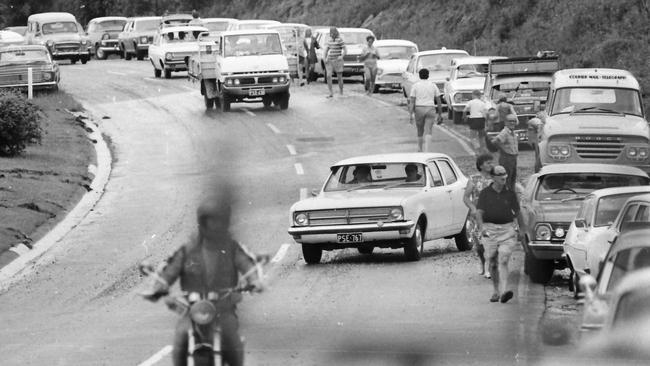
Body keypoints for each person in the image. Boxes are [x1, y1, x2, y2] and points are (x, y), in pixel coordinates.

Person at [142, 192, 265, 366]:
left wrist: (255, 280)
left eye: (219, 222)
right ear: (203, 223)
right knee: (181, 336)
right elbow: (170, 270)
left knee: (231, 338)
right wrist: (158, 286)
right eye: (211, 221)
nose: (215, 226)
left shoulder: (231, 248)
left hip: (224, 308)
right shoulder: (188, 251)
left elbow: (247, 264)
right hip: (192, 309)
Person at [476, 165, 527, 303]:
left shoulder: (510, 194)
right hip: (490, 230)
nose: (504, 176)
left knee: (503, 260)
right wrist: (481, 229)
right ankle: (496, 291)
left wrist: (522, 230)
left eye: (505, 173)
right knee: (492, 262)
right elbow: (479, 213)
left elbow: (518, 213)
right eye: (500, 174)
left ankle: (504, 291)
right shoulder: (485, 194)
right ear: (493, 177)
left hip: (507, 230)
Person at [463, 153, 495, 279]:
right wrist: (473, 208)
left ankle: (489, 267)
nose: (491, 165)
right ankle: (482, 263)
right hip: (477, 218)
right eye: (488, 163)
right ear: (481, 165)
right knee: (480, 246)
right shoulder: (474, 179)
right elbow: (466, 197)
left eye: (492, 162)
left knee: (490, 243)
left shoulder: (496, 178)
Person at [409, 68, 443, 152]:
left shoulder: (415, 85)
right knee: (429, 129)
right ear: (428, 75)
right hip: (430, 108)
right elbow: (438, 100)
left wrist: (411, 114)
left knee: (420, 129)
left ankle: (420, 148)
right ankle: (427, 150)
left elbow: (412, 101)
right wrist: (440, 114)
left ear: (419, 76)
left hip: (419, 108)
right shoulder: (433, 85)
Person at [490, 114, 519, 190]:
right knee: (506, 179)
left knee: (512, 178)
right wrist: (503, 149)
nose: (512, 123)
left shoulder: (512, 132)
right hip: (507, 158)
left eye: (514, 121)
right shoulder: (505, 132)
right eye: (510, 121)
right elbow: (495, 141)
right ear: (505, 122)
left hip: (513, 158)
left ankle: (510, 194)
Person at [323, 27, 346, 97]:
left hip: (338, 60)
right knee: (328, 76)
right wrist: (325, 58)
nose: (332, 34)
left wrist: (341, 56)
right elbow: (326, 50)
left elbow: (345, 49)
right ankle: (331, 92)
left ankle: (341, 92)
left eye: (333, 32)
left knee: (339, 77)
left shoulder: (340, 39)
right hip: (330, 60)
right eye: (331, 33)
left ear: (336, 32)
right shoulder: (329, 40)